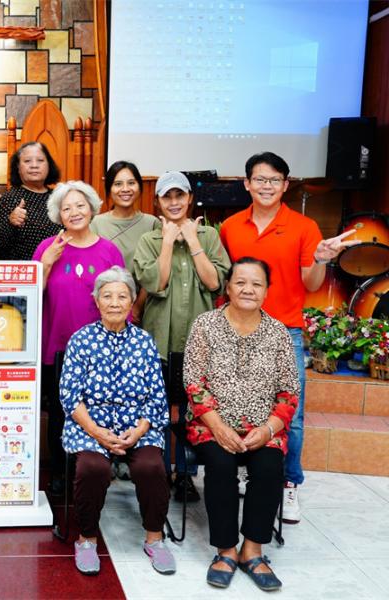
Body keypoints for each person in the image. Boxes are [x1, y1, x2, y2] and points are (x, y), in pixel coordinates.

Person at [219, 152, 358, 524]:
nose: (267, 186)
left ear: (285, 185)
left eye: (274, 180)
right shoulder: (230, 227)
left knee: (290, 414)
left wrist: (323, 259)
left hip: (285, 333)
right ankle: (241, 470)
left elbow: (311, 283)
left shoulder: (304, 227)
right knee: (234, 403)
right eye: (260, 179)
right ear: (246, 183)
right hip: (236, 330)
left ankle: (290, 483)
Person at [183, 257, 299, 592]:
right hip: (212, 424)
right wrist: (219, 427)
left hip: (264, 427)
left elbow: (289, 390)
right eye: (241, 282)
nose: (248, 289)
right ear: (228, 287)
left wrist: (269, 429)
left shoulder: (278, 332)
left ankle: (253, 550)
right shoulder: (205, 325)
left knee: (269, 466)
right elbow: (194, 382)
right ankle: (225, 550)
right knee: (220, 465)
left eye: (256, 283)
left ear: (266, 290)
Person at [60, 266, 173, 576]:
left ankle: (155, 538)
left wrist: (138, 431)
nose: (114, 302)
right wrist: (97, 432)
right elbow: (70, 396)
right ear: (96, 301)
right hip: (91, 424)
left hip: (137, 424)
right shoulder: (81, 340)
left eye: (122, 296)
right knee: (92, 468)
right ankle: (86, 539)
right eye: (107, 296)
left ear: (132, 302)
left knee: (151, 466)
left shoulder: (144, 342)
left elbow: (156, 396)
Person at [133, 171, 231, 503]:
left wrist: (192, 241)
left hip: (200, 340)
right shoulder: (149, 239)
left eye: (180, 196)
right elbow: (155, 284)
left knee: (193, 409)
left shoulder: (208, 236)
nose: (173, 202)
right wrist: (166, 242)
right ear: (157, 201)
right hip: (159, 338)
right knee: (159, 409)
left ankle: (186, 475)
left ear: (190, 199)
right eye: (166, 197)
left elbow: (215, 283)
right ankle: (159, 473)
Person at [32, 181, 125, 495]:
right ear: (58, 214)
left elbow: (119, 299)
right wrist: (46, 264)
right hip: (57, 345)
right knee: (60, 412)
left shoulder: (109, 250)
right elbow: (30, 297)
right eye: (66, 207)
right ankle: (60, 472)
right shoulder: (47, 247)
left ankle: (95, 470)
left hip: (100, 348)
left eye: (80, 205)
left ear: (92, 208)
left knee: (98, 406)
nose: (74, 212)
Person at [90, 160, 158, 323]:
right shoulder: (95, 223)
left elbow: (154, 272)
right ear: (109, 189)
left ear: (139, 187)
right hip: (103, 309)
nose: (125, 189)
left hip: (142, 310)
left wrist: (137, 306)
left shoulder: (152, 223)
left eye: (131, 183)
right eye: (118, 184)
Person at [0, 141, 62, 261]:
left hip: (59, 269)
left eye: (40, 160)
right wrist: (11, 223)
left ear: (48, 165)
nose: (34, 165)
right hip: (24, 272)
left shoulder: (59, 197)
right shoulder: (9, 199)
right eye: (27, 161)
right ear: (18, 167)